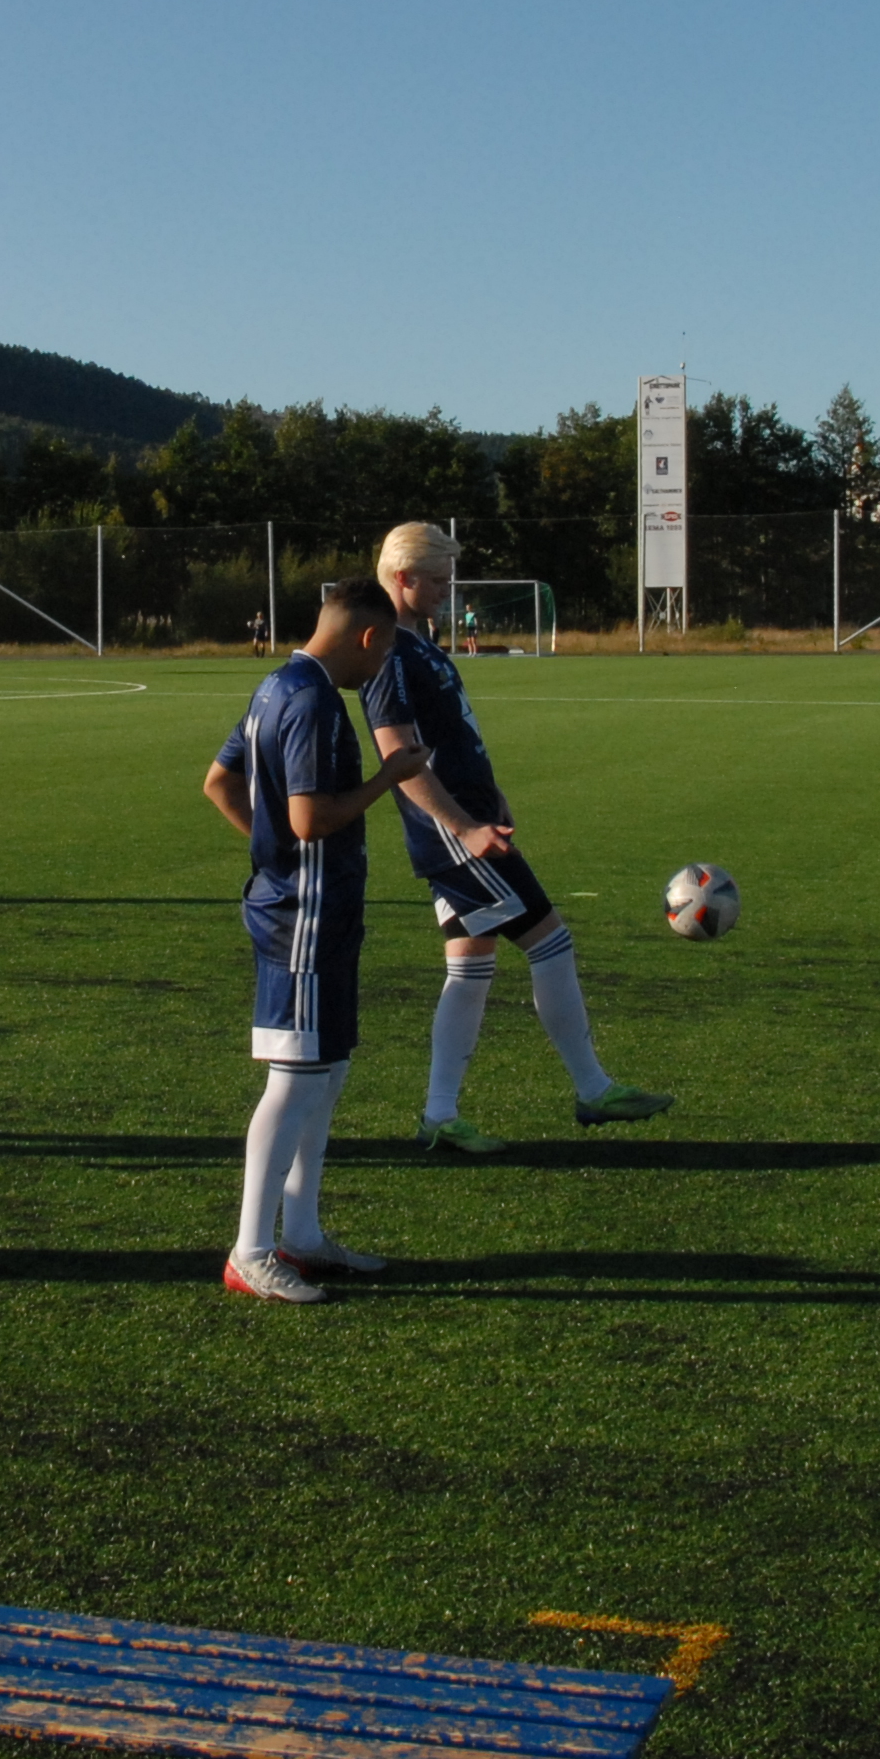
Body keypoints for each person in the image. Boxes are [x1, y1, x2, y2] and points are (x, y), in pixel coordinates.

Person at [363, 520, 672, 1153]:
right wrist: (464, 825)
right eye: (438, 580)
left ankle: (439, 1117)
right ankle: (592, 1088)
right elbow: (396, 752)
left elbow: (450, 735)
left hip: (469, 820)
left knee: (470, 967)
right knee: (551, 942)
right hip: (456, 834)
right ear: (404, 577)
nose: (446, 591)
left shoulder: (419, 641)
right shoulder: (389, 651)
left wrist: (491, 792)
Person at [201, 577, 425, 1302]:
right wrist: (390, 776)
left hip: (315, 909)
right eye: (383, 652)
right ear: (368, 636)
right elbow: (308, 819)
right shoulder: (315, 701)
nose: (380, 667)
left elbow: (219, 782)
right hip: (304, 917)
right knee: (296, 1079)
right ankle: (250, 1251)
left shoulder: (274, 686)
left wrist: (269, 852)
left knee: (325, 1073)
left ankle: (300, 1235)